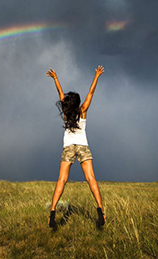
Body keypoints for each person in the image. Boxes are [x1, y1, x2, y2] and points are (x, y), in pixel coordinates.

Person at [46, 65, 106, 229]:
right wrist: (97, 76)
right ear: (78, 103)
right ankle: (100, 211)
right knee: (91, 179)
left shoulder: (66, 113)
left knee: (62, 180)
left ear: (67, 103)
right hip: (83, 147)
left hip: (68, 148)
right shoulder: (83, 110)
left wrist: (55, 78)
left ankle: (52, 213)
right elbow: (91, 93)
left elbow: (60, 94)